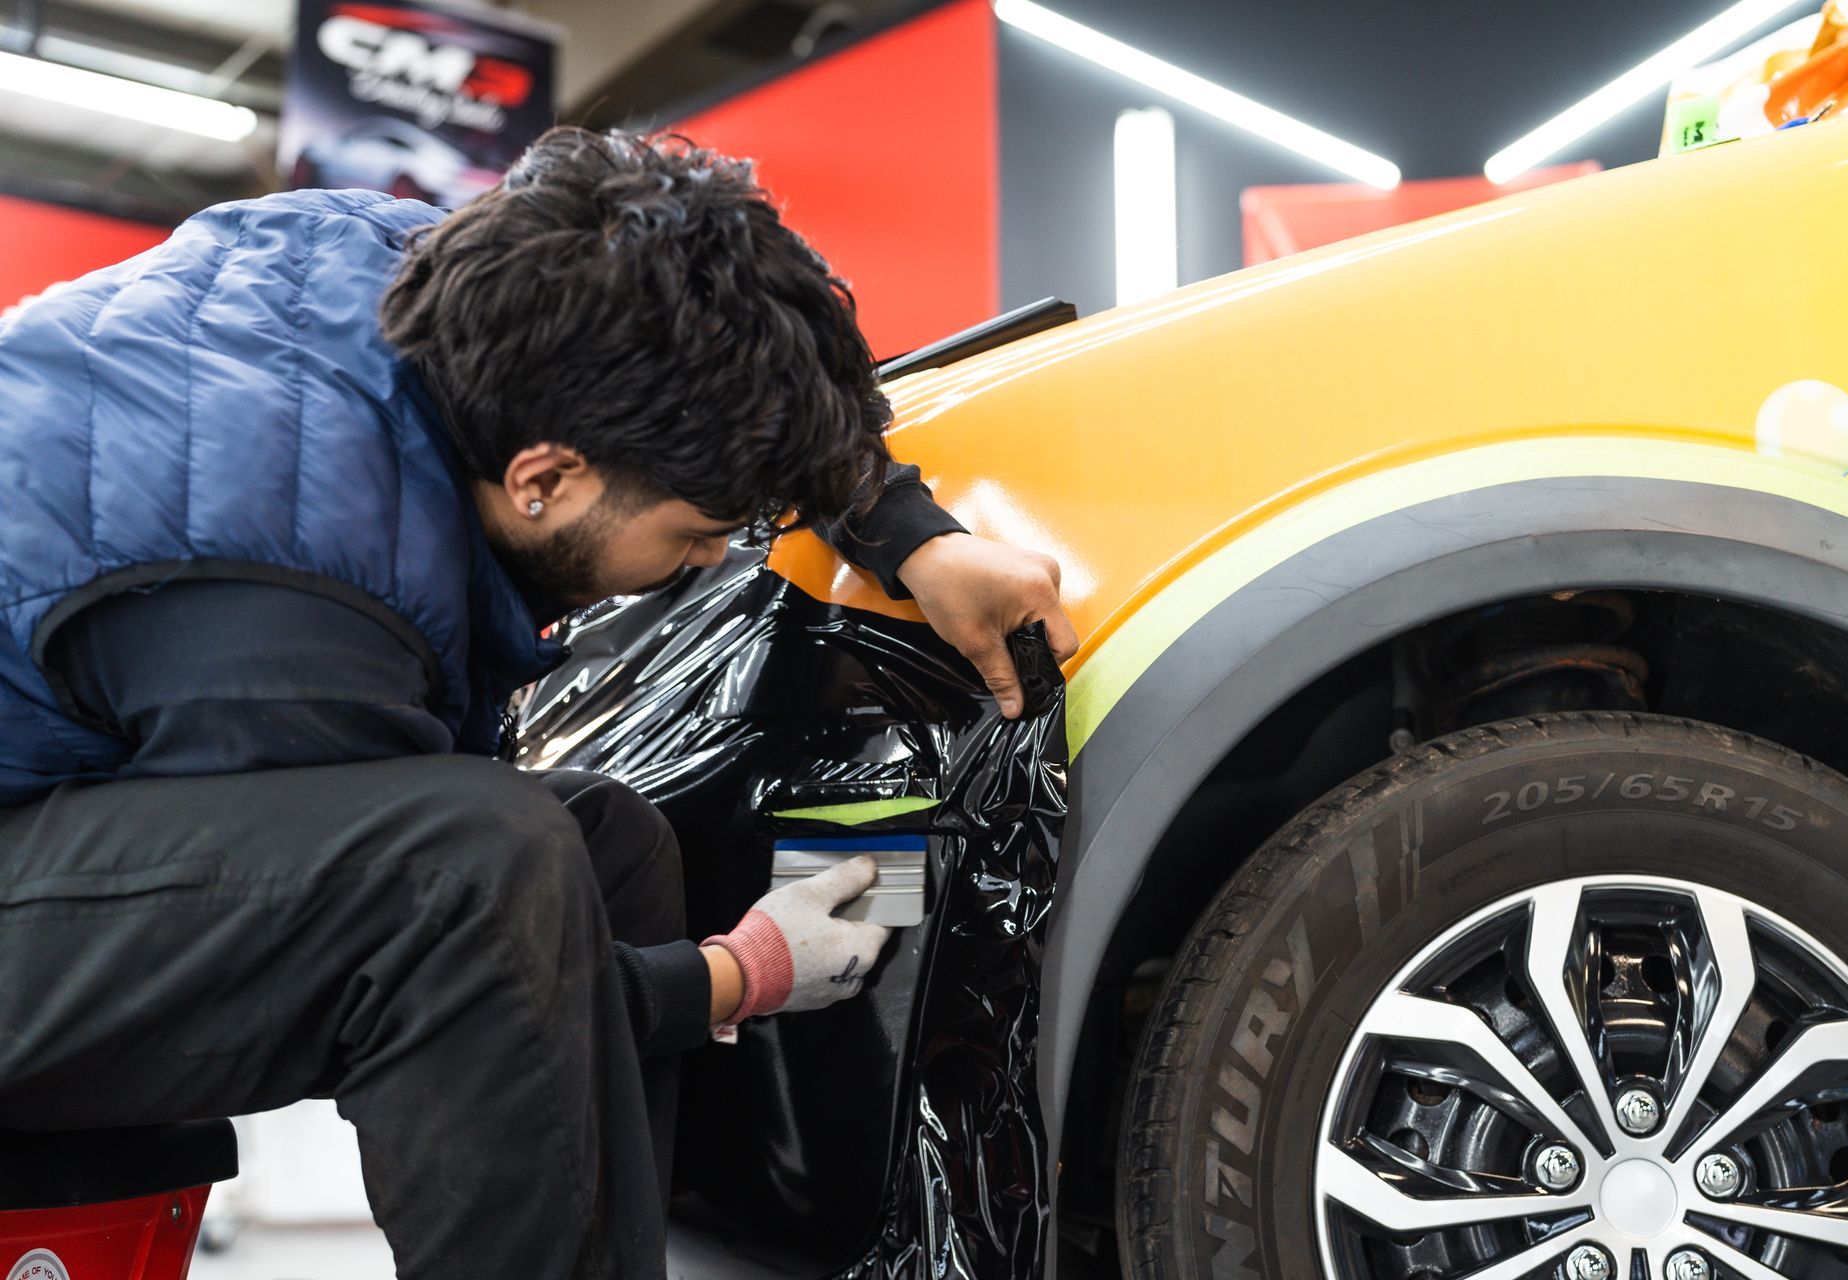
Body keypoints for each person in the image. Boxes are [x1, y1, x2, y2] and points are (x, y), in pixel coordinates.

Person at [0, 126, 1078, 1278]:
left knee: (606, 841)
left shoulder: (436, 275)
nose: (710, 564)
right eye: (698, 533)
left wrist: (912, 534)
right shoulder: (284, 626)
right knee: (474, 867)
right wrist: (739, 971)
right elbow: (423, 958)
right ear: (546, 478)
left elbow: (737, 356)